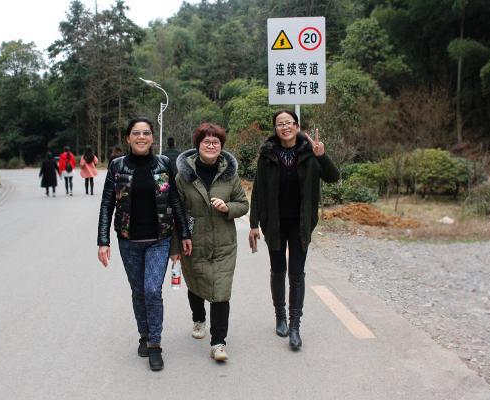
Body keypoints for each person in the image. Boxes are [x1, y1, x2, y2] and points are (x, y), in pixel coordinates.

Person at [97, 117, 192, 371]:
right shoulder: (117, 166)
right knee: (138, 291)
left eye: (146, 133)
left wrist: (184, 234)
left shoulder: (163, 164)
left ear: (152, 138)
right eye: (136, 133)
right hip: (128, 241)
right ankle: (144, 334)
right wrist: (103, 240)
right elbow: (107, 204)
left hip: (159, 240)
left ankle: (155, 344)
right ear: (128, 138)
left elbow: (174, 200)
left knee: (152, 290)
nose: (141, 137)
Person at [248, 110, 340, 350]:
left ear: (297, 126)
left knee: (297, 273)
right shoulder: (267, 154)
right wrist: (254, 223)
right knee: (278, 270)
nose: (285, 127)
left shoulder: (310, 152)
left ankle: (295, 326)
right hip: (274, 223)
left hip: (301, 224)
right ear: (275, 128)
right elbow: (258, 189)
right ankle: (280, 316)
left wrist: (322, 156)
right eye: (280, 124)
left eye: (289, 123)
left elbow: (333, 177)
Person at [170, 123, 248, 362]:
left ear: (221, 146)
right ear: (198, 145)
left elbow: (243, 204)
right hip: (193, 242)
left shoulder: (230, 175)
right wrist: (175, 247)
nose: (211, 145)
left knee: (221, 291)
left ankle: (218, 343)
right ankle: (198, 318)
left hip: (224, 244)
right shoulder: (183, 176)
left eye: (216, 142)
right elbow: (176, 213)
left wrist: (228, 207)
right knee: (196, 285)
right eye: (207, 141)